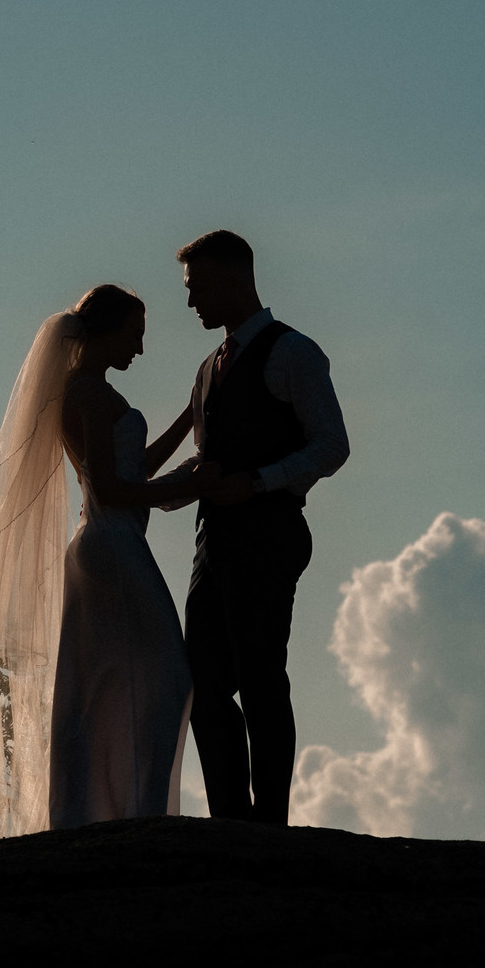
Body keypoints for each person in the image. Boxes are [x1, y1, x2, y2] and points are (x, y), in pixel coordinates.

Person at [0, 286, 197, 840]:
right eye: (135, 332)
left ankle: (109, 808)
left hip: (112, 544)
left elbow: (128, 468)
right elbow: (113, 488)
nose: (140, 346)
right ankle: (131, 812)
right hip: (112, 546)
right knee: (166, 675)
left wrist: (188, 420)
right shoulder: (86, 393)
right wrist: (187, 482)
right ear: (106, 331)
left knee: (108, 679)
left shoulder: (93, 391)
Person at [173, 230, 350, 825]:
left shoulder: (294, 352)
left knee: (260, 675)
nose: (191, 301)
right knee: (202, 679)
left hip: (270, 533)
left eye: (196, 287)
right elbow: (206, 457)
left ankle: (270, 822)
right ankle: (230, 815)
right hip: (211, 540)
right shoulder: (205, 369)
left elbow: (332, 444)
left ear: (232, 278)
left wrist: (258, 482)